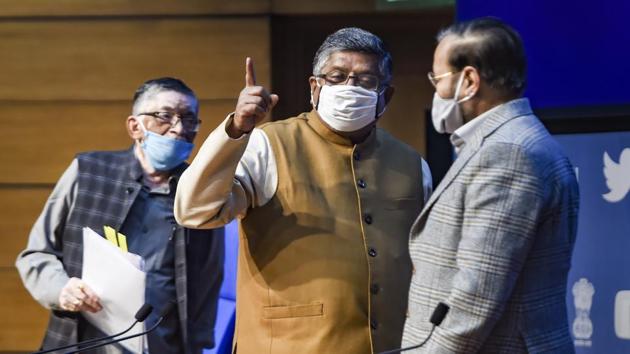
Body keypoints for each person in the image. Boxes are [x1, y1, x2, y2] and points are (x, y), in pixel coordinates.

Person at [174, 28, 432, 353]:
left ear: (386, 95)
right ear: (315, 86)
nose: (350, 88)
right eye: (337, 77)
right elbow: (195, 211)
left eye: (366, 81)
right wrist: (237, 129)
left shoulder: (411, 164)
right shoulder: (268, 144)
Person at [402, 18, 579, 353]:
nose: (435, 91)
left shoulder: (508, 154)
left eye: (436, 79)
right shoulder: (506, 142)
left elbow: (476, 296)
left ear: (469, 80)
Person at [16, 78, 224, 354]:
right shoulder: (88, 171)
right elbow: (36, 254)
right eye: (165, 116)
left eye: (189, 120)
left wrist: (199, 345)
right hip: (81, 339)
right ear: (135, 126)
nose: (179, 129)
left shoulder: (199, 189)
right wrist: (61, 289)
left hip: (162, 342)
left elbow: (209, 280)